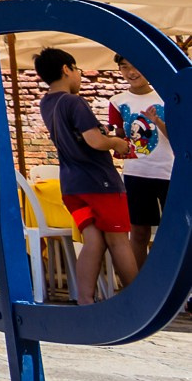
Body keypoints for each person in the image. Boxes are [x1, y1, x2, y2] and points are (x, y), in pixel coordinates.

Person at [35, 47, 138, 302]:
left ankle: (85, 300)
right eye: (78, 70)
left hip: (71, 186)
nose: (80, 76)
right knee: (119, 241)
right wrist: (116, 143)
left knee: (93, 240)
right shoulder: (74, 101)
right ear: (66, 69)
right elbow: (94, 141)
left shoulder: (46, 103)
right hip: (99, 184)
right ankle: (137, 300)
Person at [109, 57, 170, 266]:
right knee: (138, 231)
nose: (131, 72)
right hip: (135, 174)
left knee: (173, 230)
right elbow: (117, 136)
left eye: (136, 65)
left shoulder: (166, 97)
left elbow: (179, 137)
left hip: (168, 173)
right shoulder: (117, 101)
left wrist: (157, 122)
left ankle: (172, 283)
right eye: (124, 67)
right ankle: (139, 283)